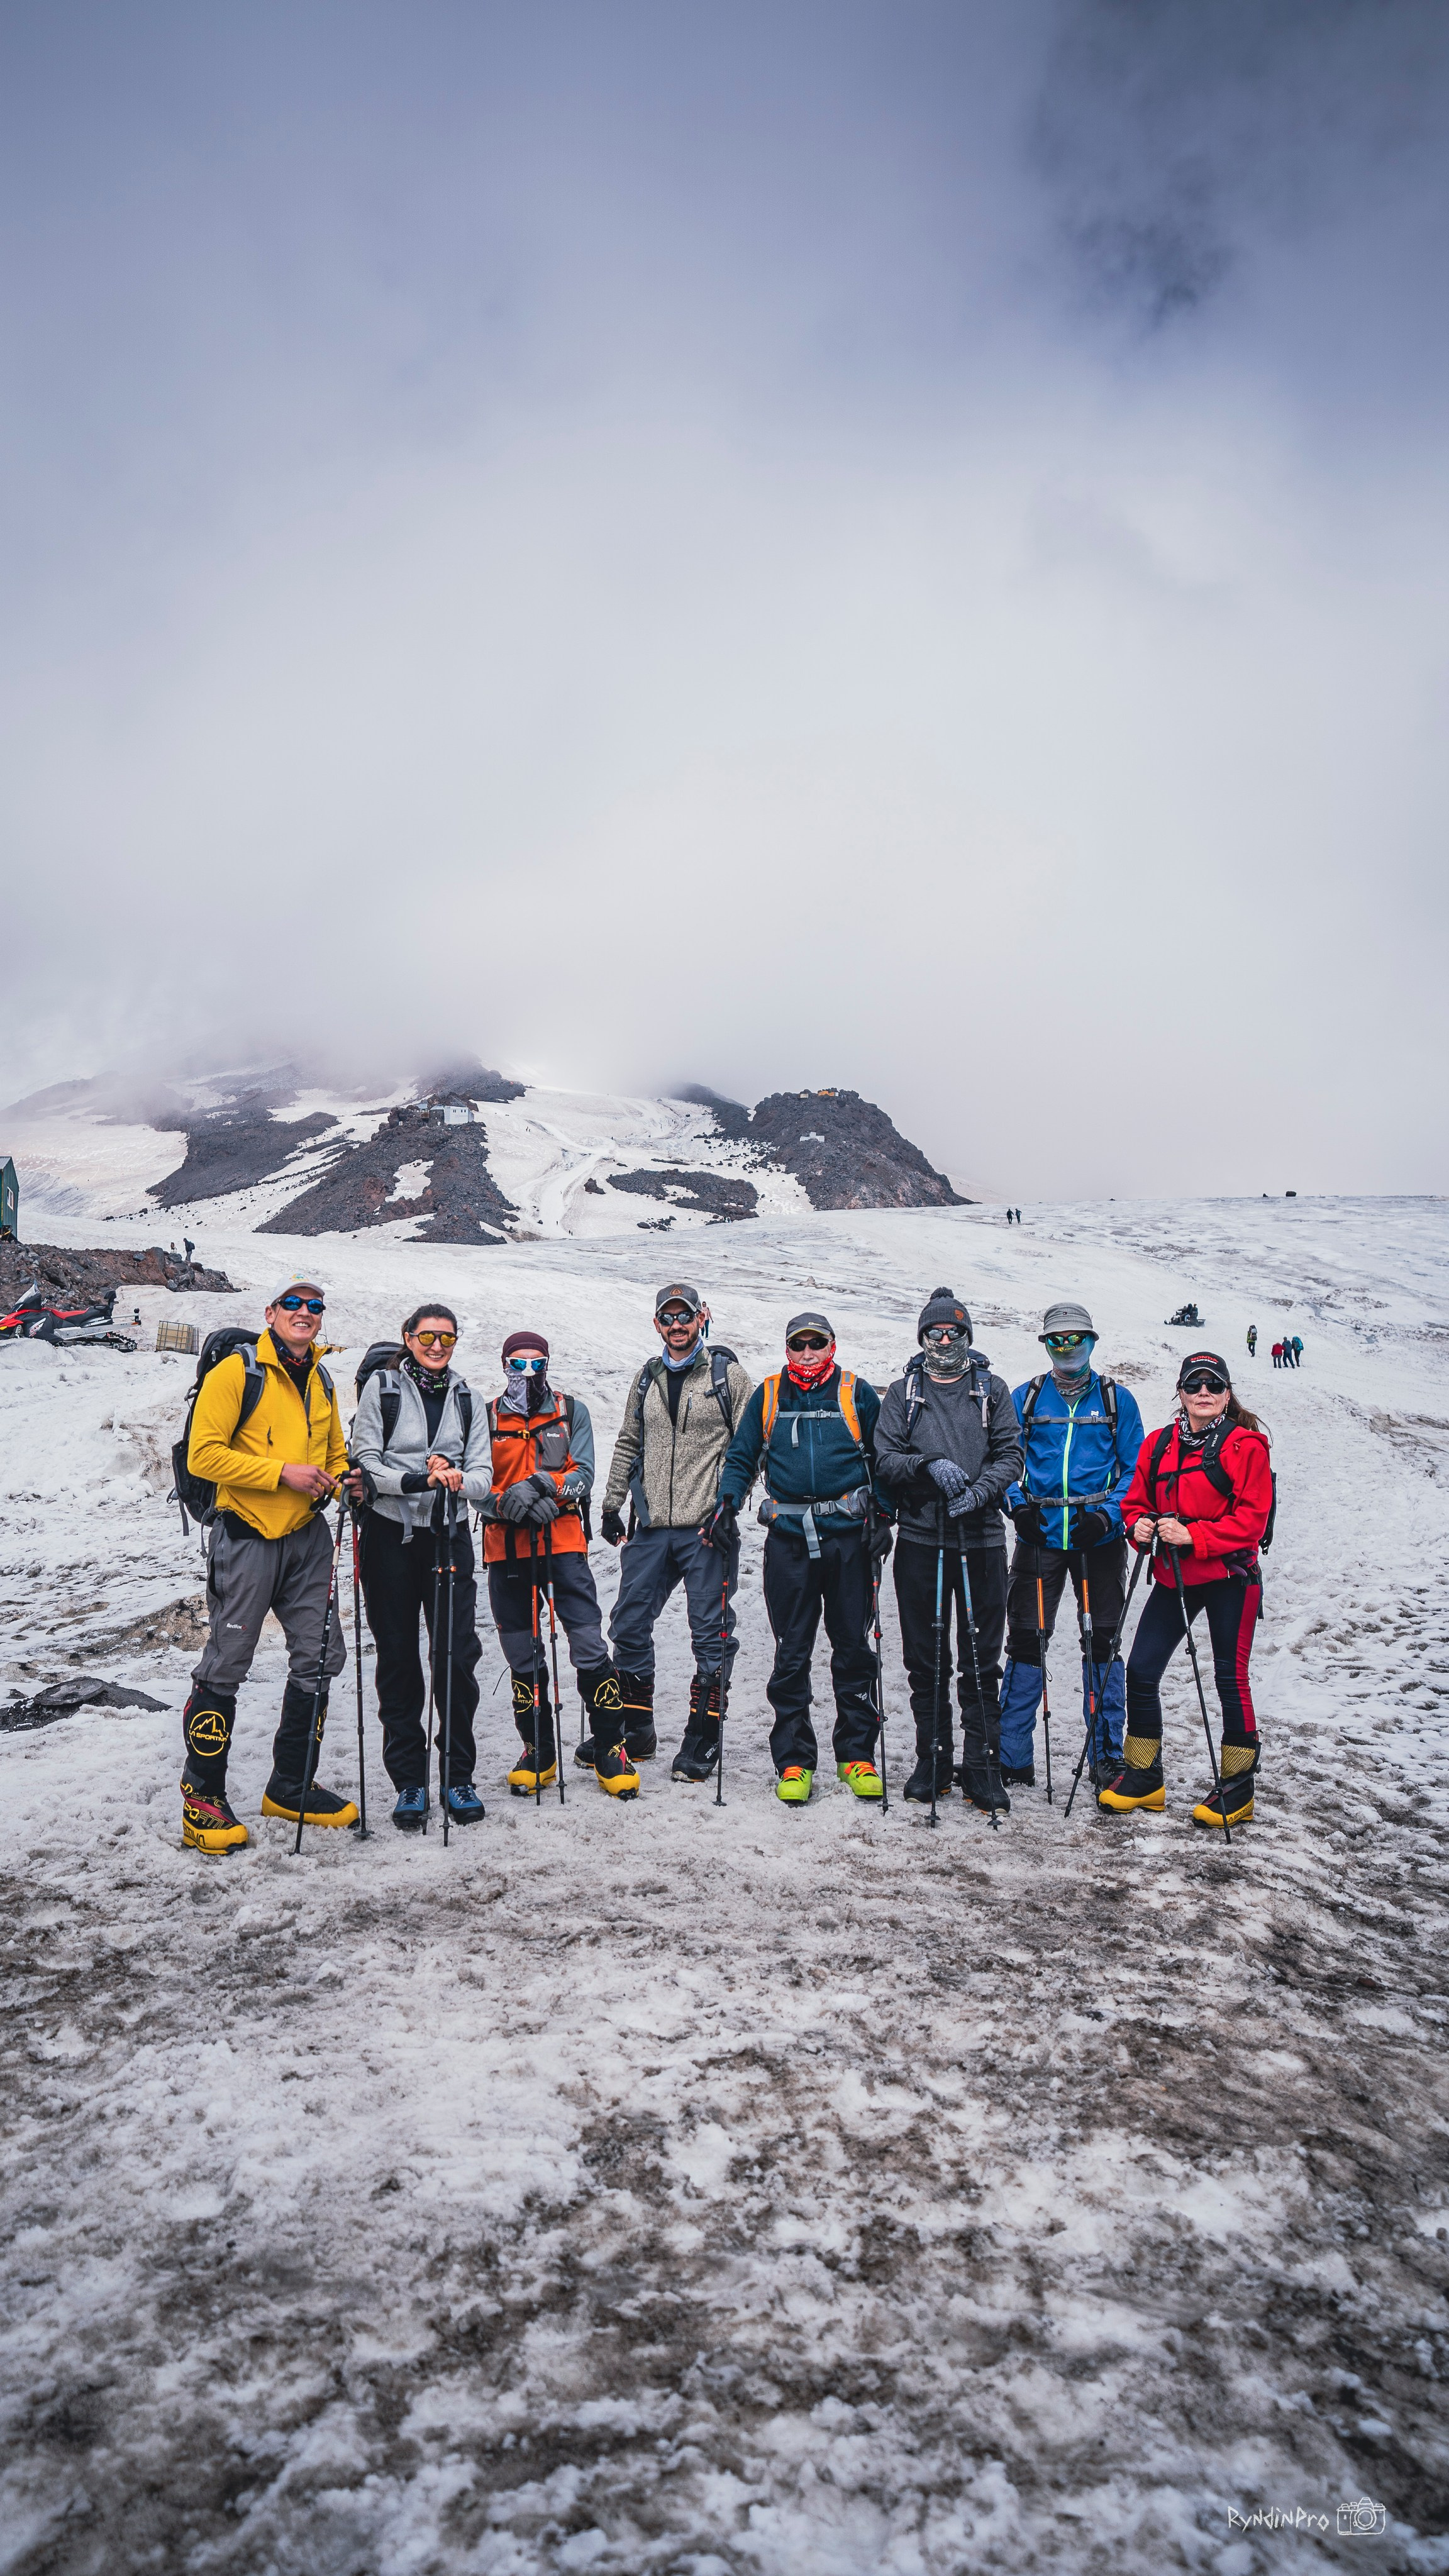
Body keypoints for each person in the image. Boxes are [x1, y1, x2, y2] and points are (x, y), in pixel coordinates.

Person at [179, 1274, 357, 1854]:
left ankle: (290, 1785)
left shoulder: (322, 1377)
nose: (305, 1313)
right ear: (272, 1312)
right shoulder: (239, 1372)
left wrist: (342, 1478)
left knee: (321, 1655)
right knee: (228, 1659)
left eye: (315, 1307)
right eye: (294, 1305)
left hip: (307, 1537)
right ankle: (202, 1797)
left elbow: (332, 1450)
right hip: (248, 1534)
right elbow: (205, 1456)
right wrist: (283, 1473)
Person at [712, 1310, 887, 1805]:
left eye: (817, 1344)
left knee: (853, 1647)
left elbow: (883, 1458)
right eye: (798, 1346)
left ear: (832, 1345)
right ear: (787, 1349)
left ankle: (857, 1756)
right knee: (792, 1653)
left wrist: (885, 1517)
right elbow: (743, 1456)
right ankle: (793, 1761)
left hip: (850, 1540)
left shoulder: (858, 1393)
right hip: (787, 1541)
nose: (807, 1355)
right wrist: (727, 1504)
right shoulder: (768, 1396)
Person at [1099, 1351, 1272, 1829]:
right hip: (1175, 1576)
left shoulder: (1248, 1447)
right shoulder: (1158, 1444)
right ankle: (1143, 1778)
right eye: (1194, 1384)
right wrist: (1139, 1527)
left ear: (1227, 1394)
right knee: (1141, 1670)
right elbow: (1135, 1502)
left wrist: (1196, 1536)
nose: (1203, 1393)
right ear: (1180, 1392)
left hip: (1230, 1580)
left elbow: (1252, 1521)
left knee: (1229, 1679)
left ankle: (1238, 1790)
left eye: (1214, 1385)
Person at [599, 1283, 753, 1782]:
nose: (677, 1325)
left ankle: (702, 1737)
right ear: (657, 1324)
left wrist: (729, 1506)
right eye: (667, 1318)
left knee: (710, 1634)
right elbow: (628, 1441)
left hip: (707, 1528)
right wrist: (612, 1504)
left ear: (701, 1316)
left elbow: (751, 1446)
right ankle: (637, 1727)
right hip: (651, 1529)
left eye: (684, 1315)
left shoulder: (728, 1377)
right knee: (627, 1623)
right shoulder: (646, 1378)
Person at [875, 1289, 1021, 1812]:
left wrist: (982, 1493)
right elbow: (885, 1458)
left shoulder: (992, 1390)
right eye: (934, 1333)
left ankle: (982, 1765)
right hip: (920, 1539)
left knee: (981, 1658)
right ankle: (932, 1758)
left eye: (953, 1332)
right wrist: (927, 1465)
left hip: (981, 1540)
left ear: (967, 1336)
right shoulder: (903, 1392)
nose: (944, 1340)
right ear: (922, 1338)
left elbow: (1011, 1454)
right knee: (926, 1658)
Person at [352, 1303, 492, 1831]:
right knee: (398, 1660)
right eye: (428, 1336)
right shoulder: (382, 1390)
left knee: (455, 1656)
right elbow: (366, 1459)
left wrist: (455, 1478)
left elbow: (483, 1476)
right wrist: (420, 1479)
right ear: (408, 1337)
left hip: (449, 1534)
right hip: (390, 1534)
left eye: (447, 1338)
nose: (438, 1346)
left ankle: (459, 1775)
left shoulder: (467, 1398)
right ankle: (409, 1780)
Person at [996, 1302, 1146, 1789]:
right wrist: (1018, 1506)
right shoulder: (1027, 1396)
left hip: (1097, 1541)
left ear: (1092, 1341)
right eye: (1056, 1340)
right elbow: (1005, 1458)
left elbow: (1133, 1471)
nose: (1067, 1347)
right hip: (1038, 1539)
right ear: (1045, 1344)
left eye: (1075, 1338)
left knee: (1102, 1643)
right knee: (1025, 1643)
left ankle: (1106, 1755)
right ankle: (1013, 1756)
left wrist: (1108, 1516)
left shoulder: (1117, 1400)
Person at [480, 1330, 632, 1796]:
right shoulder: (484, 1417)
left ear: (548, 1363)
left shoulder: (571, 1412)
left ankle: (611, 1746)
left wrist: (544, 1487)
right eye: (518, 1364)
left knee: (587, 1641)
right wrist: (511, 1503)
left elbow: (583, 1475)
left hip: (563, 1543)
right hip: (506, 1546)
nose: (528, 1373)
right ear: (504, 1364)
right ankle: (538, 1749)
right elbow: (474, 1484)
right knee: (521, 1651)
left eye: (536, 1363)